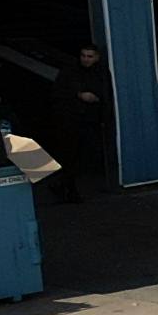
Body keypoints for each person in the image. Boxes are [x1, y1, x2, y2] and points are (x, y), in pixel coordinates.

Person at [60, 45, 110, 204]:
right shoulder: (70, 72)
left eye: (90, 56)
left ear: (96, 58)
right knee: (73, 155)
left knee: (88, 153)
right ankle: (70, 188)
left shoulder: (101, 73)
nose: (86, 59)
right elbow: (60, 91)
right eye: (84, 55)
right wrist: (80, 95)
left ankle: (69, 187)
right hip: (73, 119)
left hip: (92, 119)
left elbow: (106, 94)